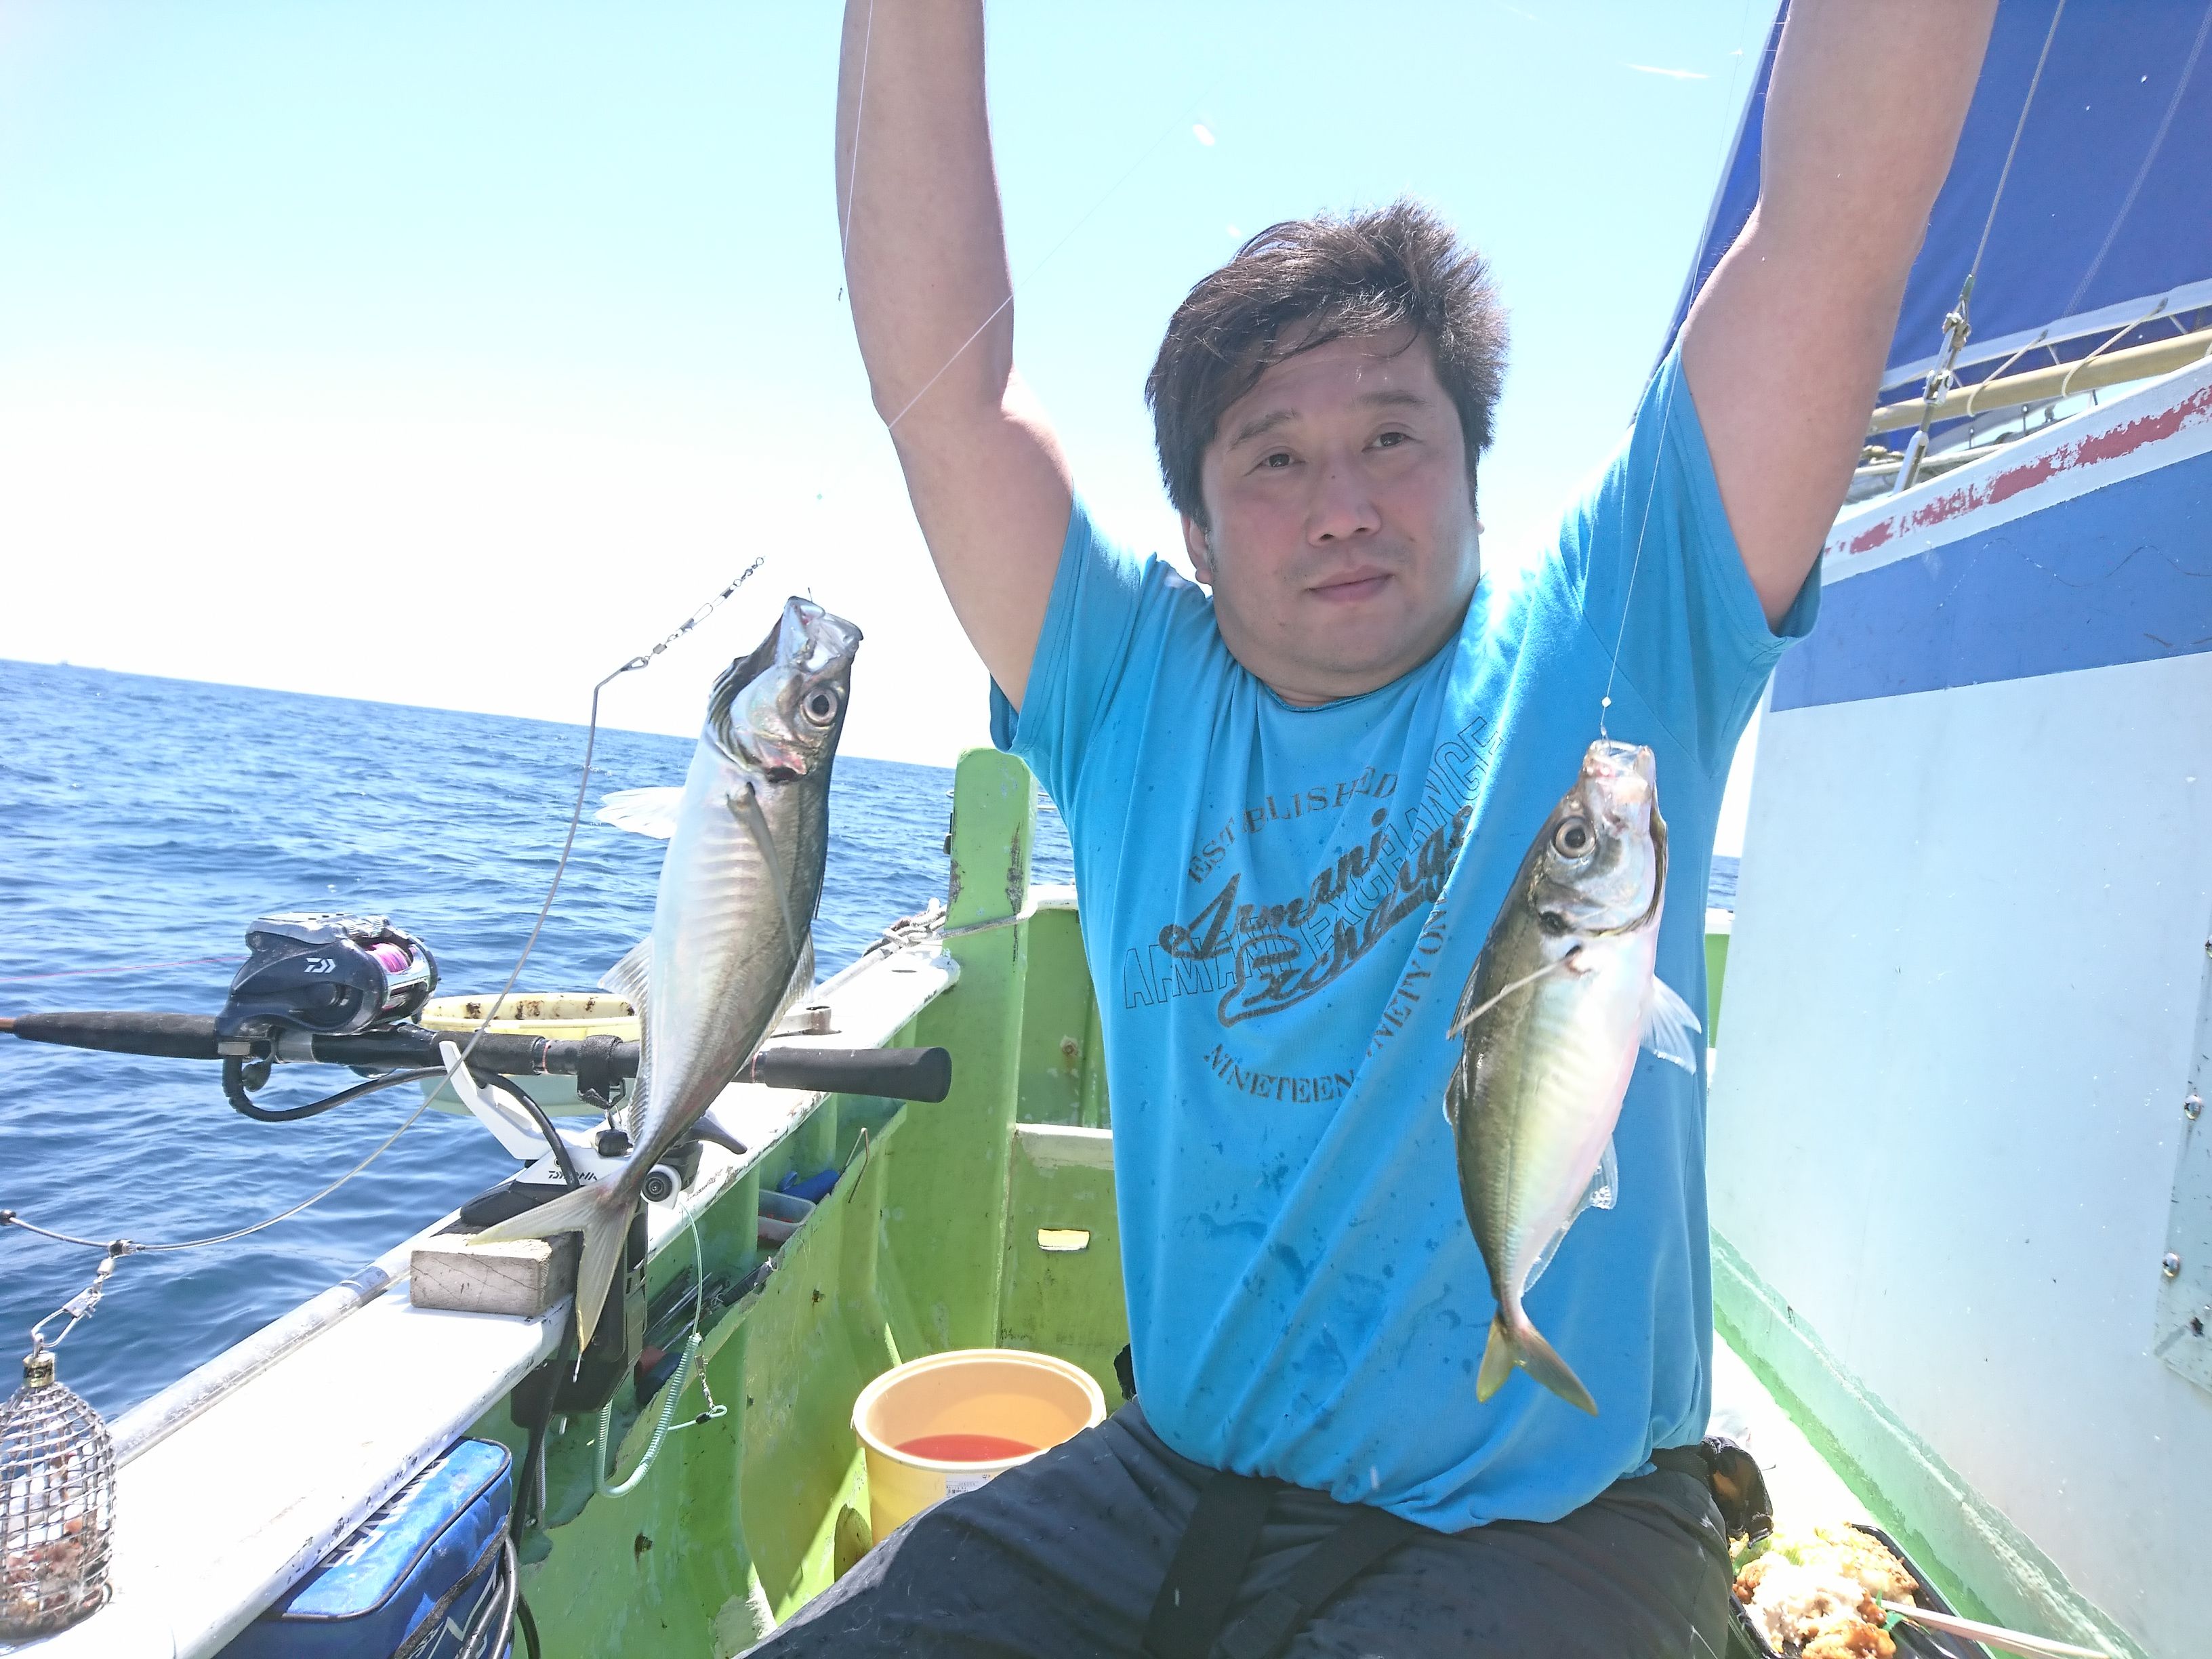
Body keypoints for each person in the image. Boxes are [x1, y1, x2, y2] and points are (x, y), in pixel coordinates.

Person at [753, 3, 1994, 1654]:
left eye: (1394, 438)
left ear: (1478, 474)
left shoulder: (1624, 627)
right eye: (1273, 458)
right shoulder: (1126, 692)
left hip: (1559, 1526)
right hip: (1175, 1482)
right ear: (1195, 534)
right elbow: (945, 390)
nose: (1342, 505)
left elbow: (1835, 226)